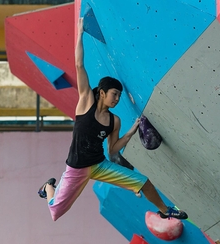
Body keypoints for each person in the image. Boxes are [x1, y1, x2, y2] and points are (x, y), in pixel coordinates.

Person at [38, 17, 188, 222]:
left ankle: (164, 210)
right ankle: (48, 187)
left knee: (143, 182)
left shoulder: (113, 121)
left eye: (119, 96)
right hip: (77, 167)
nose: (117, 99)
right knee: (55, 212)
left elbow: (113, 149)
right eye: (114, 94)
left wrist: (132, 131)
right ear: (101, 93)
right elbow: (79, 65)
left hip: (100, 165)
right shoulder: (85, 102)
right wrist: (80, 33)